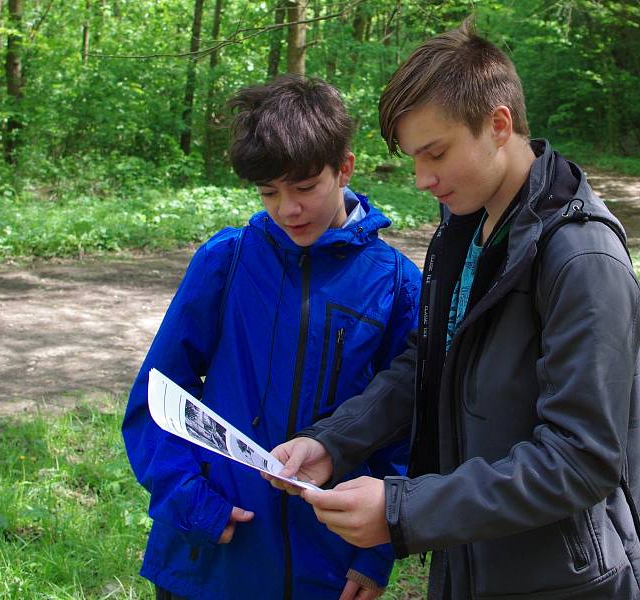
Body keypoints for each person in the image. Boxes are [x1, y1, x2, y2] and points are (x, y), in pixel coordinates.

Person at [268, 19, 640, 599]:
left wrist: (403, 511)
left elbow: (582, 459)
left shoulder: (582, 258)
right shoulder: (465, 224)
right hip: (472, 562)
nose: (422, 179)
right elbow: (430, 358)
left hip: (565, 581)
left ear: (499, 125)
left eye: (435, 153)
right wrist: (333, 440)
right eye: (412, 158)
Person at [122, 74, 422, 600]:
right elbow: (158, 396)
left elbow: (403, 424)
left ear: (344, 168)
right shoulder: (227, 260)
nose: (288, 209)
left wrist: (375, 552)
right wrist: (192, 501)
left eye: (305, 187)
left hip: (323, 565)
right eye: (268, 192)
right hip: (208, 559)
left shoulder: (396, 284)